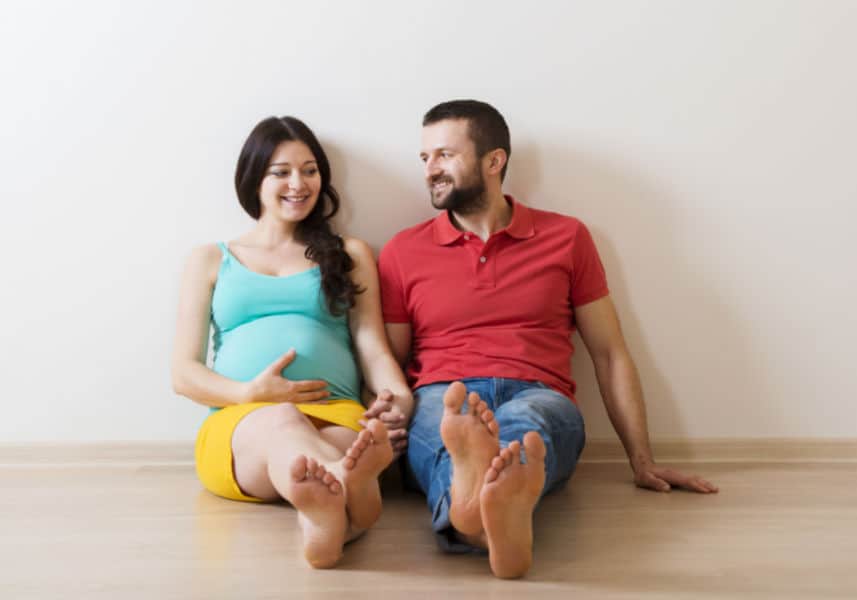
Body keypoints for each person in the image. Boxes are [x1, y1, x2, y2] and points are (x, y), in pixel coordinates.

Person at [378, 100, 719, 579]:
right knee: (443, 427)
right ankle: (489, 511)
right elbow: (387, 362)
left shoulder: (566, 237)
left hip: (539, 390)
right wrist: (382, 418)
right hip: (444, 390)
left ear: (494, 161)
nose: (430, 170)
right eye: (424, 158)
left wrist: (643, 461)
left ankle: (471, 510)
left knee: (531, 425)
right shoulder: (402, 251)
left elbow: (609, 353)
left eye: (444, 156)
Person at [171, 116, 413, 569]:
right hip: (242, 422)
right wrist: (249, 393)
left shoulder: (349, 254)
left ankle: (322, 521)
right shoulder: (210, 259)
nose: (298, 184)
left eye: (309, 170)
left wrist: (398, 397)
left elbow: (372, 344)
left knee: (340, 444)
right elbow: (183, 373)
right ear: (253, 178)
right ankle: (349, 489)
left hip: (337, 412)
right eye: (280, 172)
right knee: (283, 423)